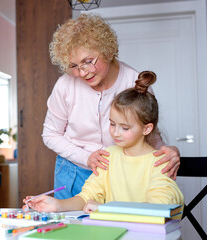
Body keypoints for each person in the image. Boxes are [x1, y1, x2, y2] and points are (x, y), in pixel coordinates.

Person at [42, 13, 180, 199]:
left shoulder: (134, 81)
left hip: (118, 172)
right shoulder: (65, 85)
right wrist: (86, 158)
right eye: (73, 65)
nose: (82, 72)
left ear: (107, 50)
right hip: (73, 172)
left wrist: (168, 150)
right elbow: (50, 134)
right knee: (70, 225)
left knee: (114, 225)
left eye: (88, 62)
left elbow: (147, 132)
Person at [26, 71, 184, 213]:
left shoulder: (160, 162)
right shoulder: (109, 156)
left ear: (147, 129)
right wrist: (57, 205)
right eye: (112, 124)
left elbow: (159, 208)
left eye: (125, 128)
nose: (115, 133)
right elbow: (87, 196)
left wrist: (104, 208)